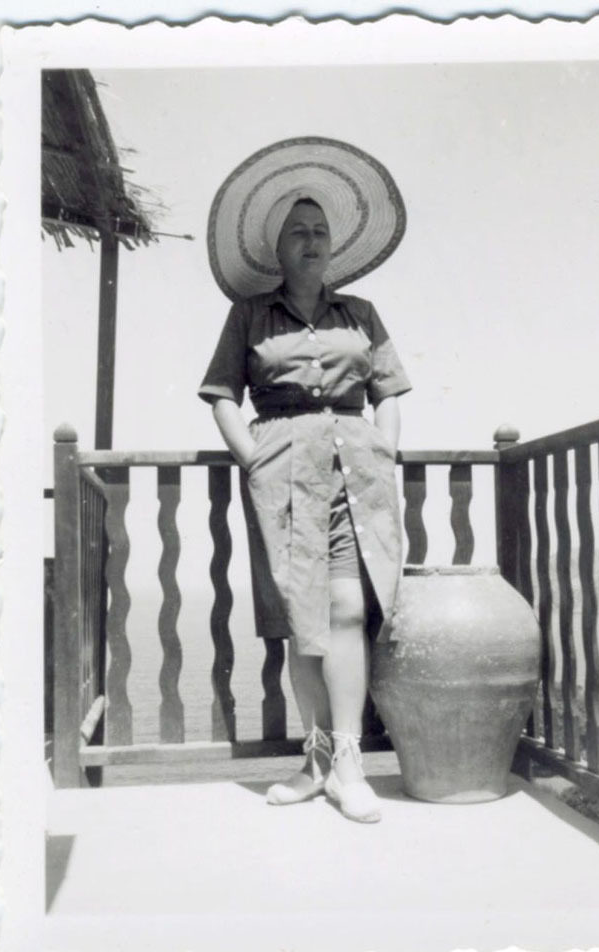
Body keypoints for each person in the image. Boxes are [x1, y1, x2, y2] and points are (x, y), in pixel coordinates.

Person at [199, 137, 411, 824]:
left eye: (320, 230)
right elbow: (221, 393)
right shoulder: (250, 315)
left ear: (333, 245)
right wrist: (252, 458)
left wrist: (384, 448)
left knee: (347, 608)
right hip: (283, 476)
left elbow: (389, 391)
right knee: (303, 622)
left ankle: (348, 764)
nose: (311, 240)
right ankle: (314, 762)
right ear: (278, 248)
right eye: (298, 231)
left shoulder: (361, 314)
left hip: (357, 474)